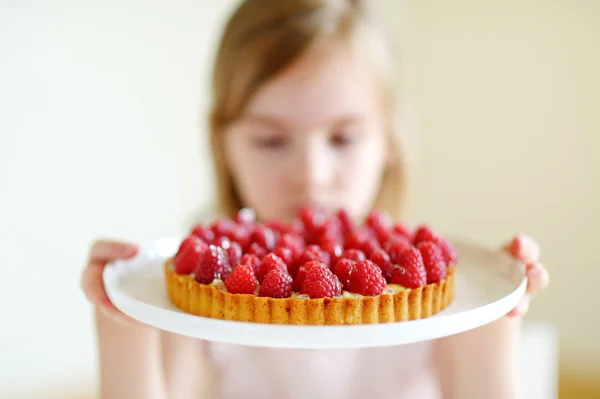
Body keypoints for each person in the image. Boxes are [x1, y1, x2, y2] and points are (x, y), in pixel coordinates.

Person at [81, 1, 550, 398]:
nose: (311, 174)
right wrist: (124, 325)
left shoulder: (434, 294)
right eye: (270, 140)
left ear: (389, 140)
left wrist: (494, 313)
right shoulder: (202, 295)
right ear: (221, 142)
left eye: (343, 138)